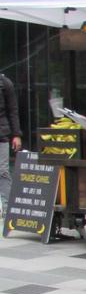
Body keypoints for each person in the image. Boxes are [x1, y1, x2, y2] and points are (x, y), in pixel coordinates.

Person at [0, 74, 22, 217]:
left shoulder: (5, 83)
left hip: (1, 134)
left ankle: (8, 208)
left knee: (2, 171)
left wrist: (16, 134)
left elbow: (13, 110)